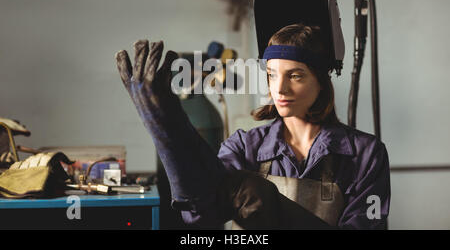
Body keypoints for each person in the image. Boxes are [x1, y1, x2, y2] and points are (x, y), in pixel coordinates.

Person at [115, 23, 390, 230]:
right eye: (272, 75)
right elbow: (200, 212)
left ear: (321, 81)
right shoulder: (246, 147)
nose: (279, 88)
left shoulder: (364, 154)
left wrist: (271, 209)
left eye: (295, 75)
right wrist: (166, 125)